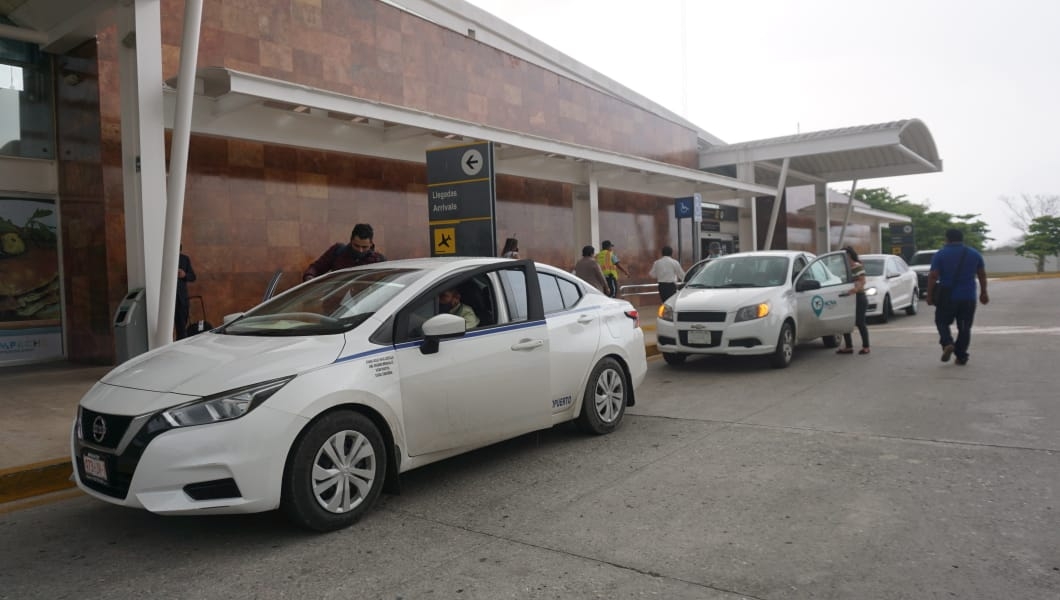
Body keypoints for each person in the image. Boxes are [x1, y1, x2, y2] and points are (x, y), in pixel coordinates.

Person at [926, 228, 989, 365]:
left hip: (947, 297)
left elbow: (933, 276)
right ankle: (961, 356)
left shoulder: (941, 254)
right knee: (965, 327)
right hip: (968, 297)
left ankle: (948, 342)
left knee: (941, 322)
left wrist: (929, 295)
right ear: (962, 239)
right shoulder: (974, 254)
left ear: (947, 239)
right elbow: (982, 274)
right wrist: (984, 292)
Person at [303, 223, 385, 281]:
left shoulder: (379, 261)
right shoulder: (338, 251)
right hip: (335, 301)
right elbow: (316, 268)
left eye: (364, 247)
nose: (360, 250)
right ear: (351, 241)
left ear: (371, 244)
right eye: (356, 246)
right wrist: (309, 276)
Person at [837, 246, 870, 355]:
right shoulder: (842, 268)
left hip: (858, 297)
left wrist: (855, 290)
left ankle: (866, 346)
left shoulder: (857, 266)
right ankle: (848, 346)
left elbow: (862, 281)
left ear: (849, 255)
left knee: (860, 322)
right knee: (846, 321)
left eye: (844, 255)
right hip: (846, 297)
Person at [175, 248, 196, 340]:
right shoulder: (162, 258)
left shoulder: (184, 259)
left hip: (181, 299)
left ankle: (180, 348)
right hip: (165, 300)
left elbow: (193, 277)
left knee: (182, 329)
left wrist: (184, 275)